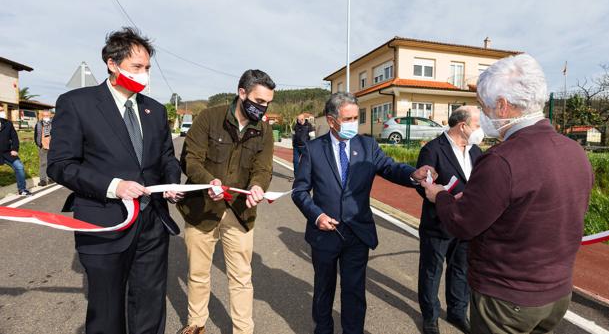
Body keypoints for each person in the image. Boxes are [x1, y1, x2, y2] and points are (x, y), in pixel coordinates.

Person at [420, 54, 594, 334]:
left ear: (501, 105)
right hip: (558, 293)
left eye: (484, 107)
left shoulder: (503, 159)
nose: (483, 116)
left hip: (507, 299)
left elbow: (462, 224)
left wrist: (439, 195)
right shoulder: (575, 152)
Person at [47, 27, 182, 334]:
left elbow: (166, 158)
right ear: (112, 63)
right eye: (137, 67)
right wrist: (114, 186)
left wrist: (172, 183)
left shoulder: (155, 110)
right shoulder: (78, 104)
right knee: (107, 312)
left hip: (151, 223)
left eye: (147, 68)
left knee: (149, 304)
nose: (144, 74)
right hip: (104, 223)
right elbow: (60, 166)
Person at [291, 92, 435, 334]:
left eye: (356, 117)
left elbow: (390, 168)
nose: (353, 123)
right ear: (331, 120)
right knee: (323, 290)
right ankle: (323, 329)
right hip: (324, 233)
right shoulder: (314, 149)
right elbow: (299, 190)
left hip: (357, 232)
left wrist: (413, 174)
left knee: (354, 292)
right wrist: (317, 216)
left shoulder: (367, 145)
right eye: (348, 118)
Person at [177, 69, 275, 334]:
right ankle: (196, 324)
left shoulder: (265, 130)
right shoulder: (209, 118)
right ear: (242, 93)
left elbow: (263, 169)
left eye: (267, 103)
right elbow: (191, 159)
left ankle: (243, 330)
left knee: (241, 277)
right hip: (202, 209)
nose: (262, 108)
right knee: (198, 274)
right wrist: (209, 181)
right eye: (258, 101)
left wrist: (257, 187)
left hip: (239, 213)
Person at [415, 106, 483, 334]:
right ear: (462, 126)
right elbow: (423, 188)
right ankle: (430, 317)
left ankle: (457, 312)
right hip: (438, 223)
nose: (480, 129)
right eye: (477, 124)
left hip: (465, 224)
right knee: (431, 272)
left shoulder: (476, 151)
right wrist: (447, 196)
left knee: (461, 270)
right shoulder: (433, 150)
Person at [0, 109, 31, 196]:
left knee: (19, 166)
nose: (2, 112)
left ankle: (22, 189)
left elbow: (14, 138)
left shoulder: (8, 124)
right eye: (0, 110)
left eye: (2, 110)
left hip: (7, 153)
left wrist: (14, 149)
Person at [34, 109, 53, 186]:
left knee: (51, 163)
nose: (45, 117)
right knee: (43, 163)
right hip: (43, 146)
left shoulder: (55, 124)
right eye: (44, 115)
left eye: (47, 115)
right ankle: (43, 180)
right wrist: (38, 144)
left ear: (50, 115)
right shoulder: (39, 124)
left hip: (53, 147)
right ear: (42, 116)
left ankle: (51, 178)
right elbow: (36, 135)